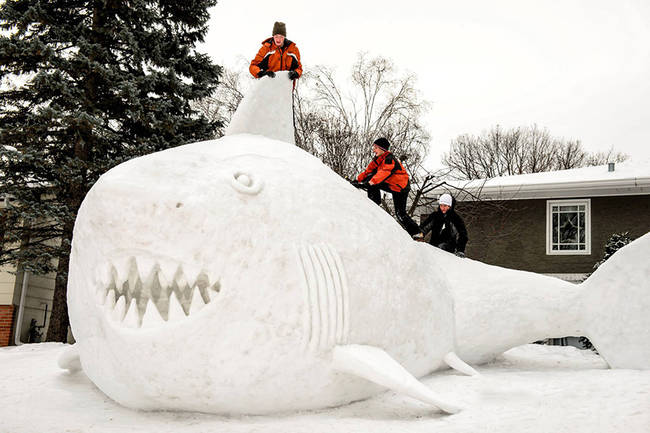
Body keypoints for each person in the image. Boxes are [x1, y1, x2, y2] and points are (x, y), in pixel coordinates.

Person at [353, 138, 424, 239]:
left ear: (383, 149)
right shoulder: (378, 159)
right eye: (374, 147)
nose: (373, 149)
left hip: (401, 188)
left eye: (376, 147)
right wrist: (356, 180)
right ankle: (374, 203)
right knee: (371, 177)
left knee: (400, 213)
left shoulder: (389, 159)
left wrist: (370, 183)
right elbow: (368, 172)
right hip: (391, 184)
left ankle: (417, 233)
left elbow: (383, 173)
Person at [420, 193, 468, 257]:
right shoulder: (435, 216)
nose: (443, 208)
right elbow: (425, 228)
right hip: (434, 248)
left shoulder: (455, 218)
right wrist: (419, 235)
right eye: (441, 205)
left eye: (445, 206)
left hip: (448, 250)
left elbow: (461, 234)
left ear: (449, 206)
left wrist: (460, 250)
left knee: (442, 246)